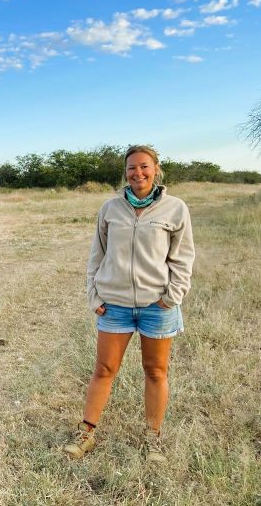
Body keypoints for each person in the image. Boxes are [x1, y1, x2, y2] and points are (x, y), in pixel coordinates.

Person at [63, 145, 195, 462]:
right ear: (125, 172)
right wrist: (93, 294)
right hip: (115, 305)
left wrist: (173, 295)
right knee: (104, 369)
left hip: (157, 306)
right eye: (132, 167)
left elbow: (183, 257)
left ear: (156, 169)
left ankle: (153, 439)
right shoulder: (110, 208)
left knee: (156, 371)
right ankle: (86, 434)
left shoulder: (175, 208)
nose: (138, 173)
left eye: (144, 166)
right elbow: (97, 254)